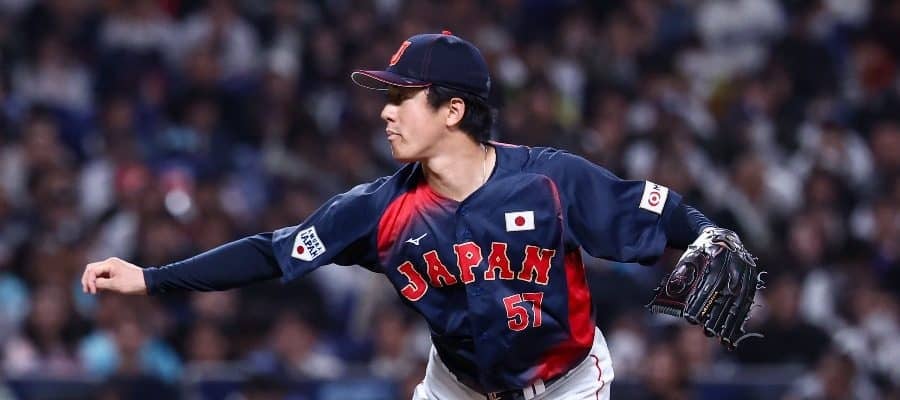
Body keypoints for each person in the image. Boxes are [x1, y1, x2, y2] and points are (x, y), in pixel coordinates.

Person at [82, 31, 739, 400]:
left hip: (565, 384)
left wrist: (708, 231)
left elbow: (657, 210)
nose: (386, 111)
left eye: (402, 96)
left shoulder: (550, 181)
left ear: (453, 110)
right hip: (456, 387)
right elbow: (270, 252)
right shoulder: (379, 210)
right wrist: (152, 278)